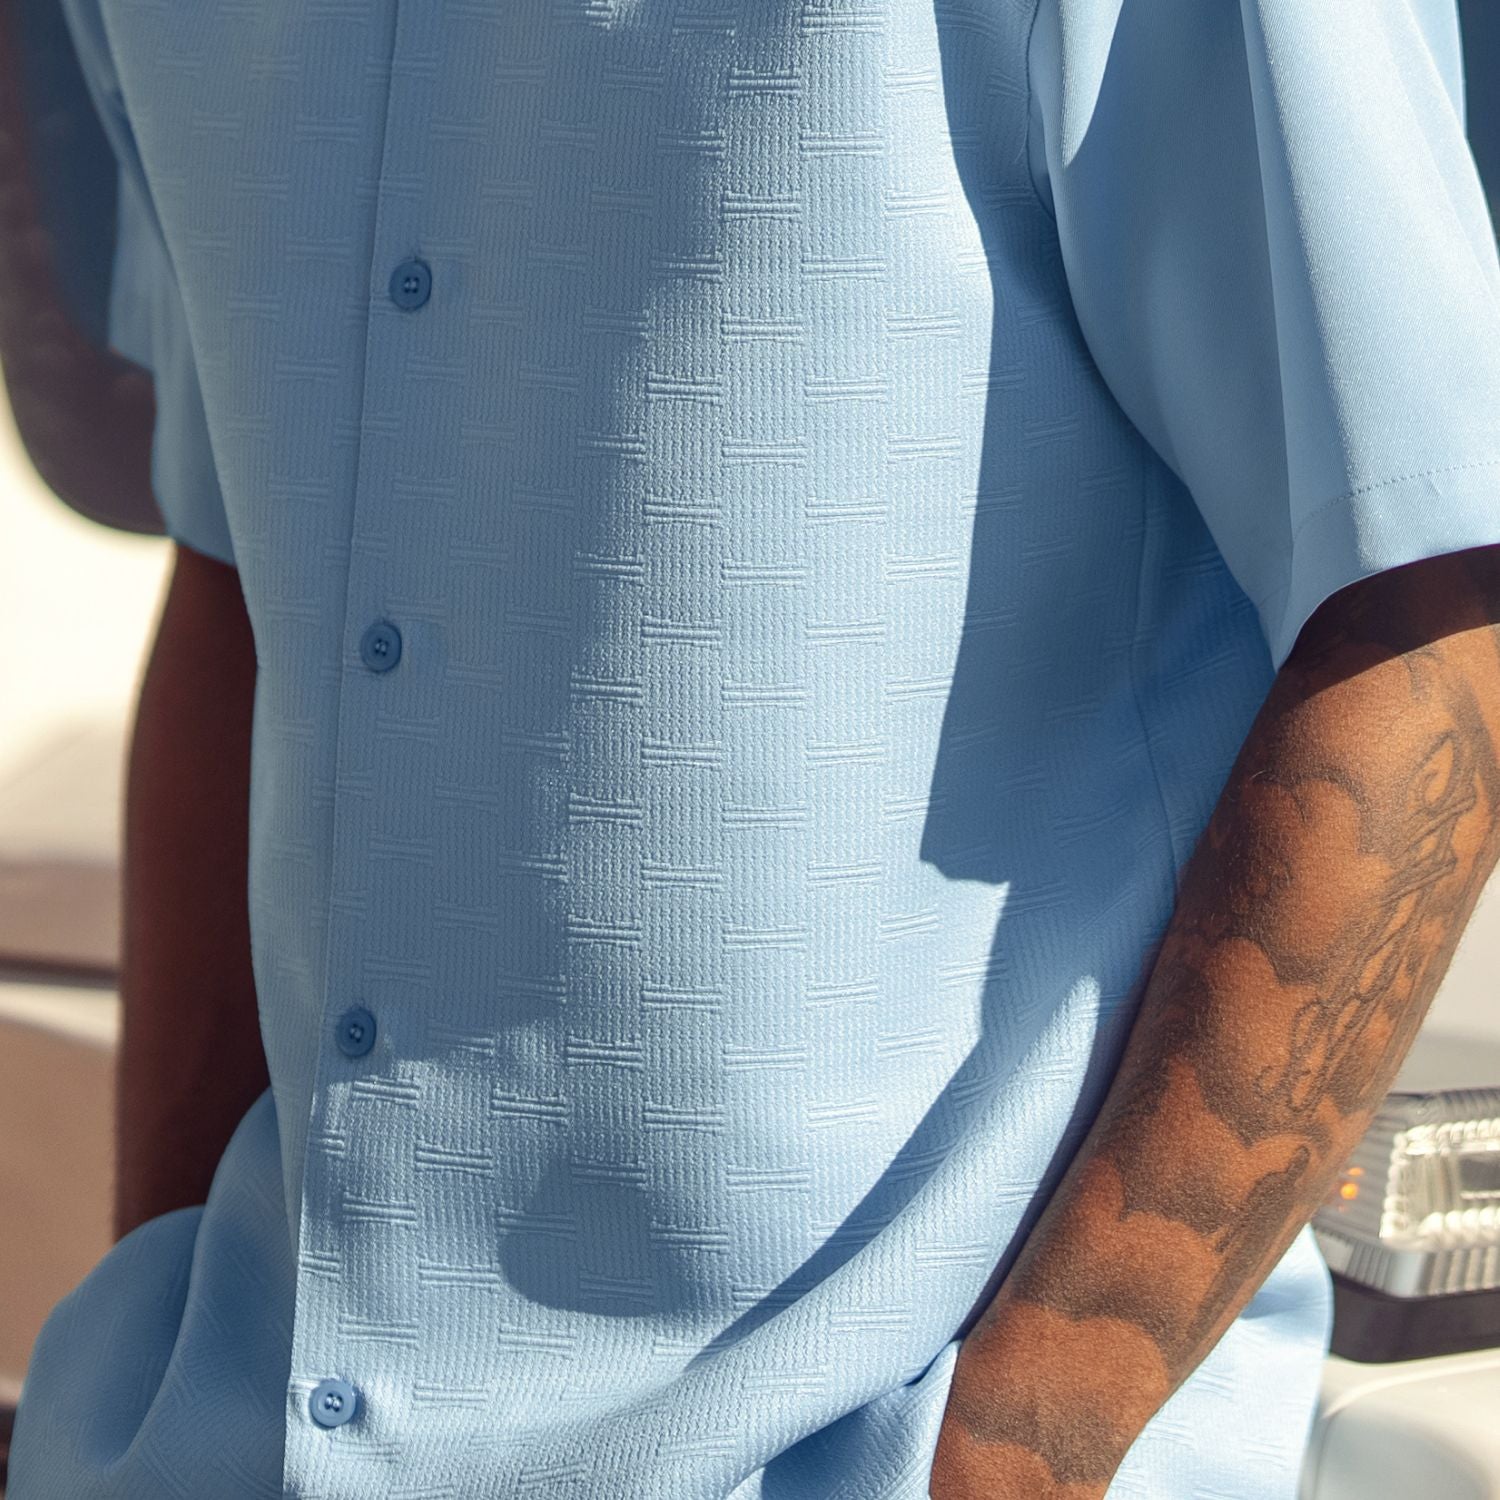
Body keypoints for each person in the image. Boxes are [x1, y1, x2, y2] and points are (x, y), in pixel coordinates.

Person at [9, 0, 1500, 1495]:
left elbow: (1434, 605)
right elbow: (239, 581)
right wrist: (157, 1319)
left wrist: (1009, 1460)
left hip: (873, 1452)